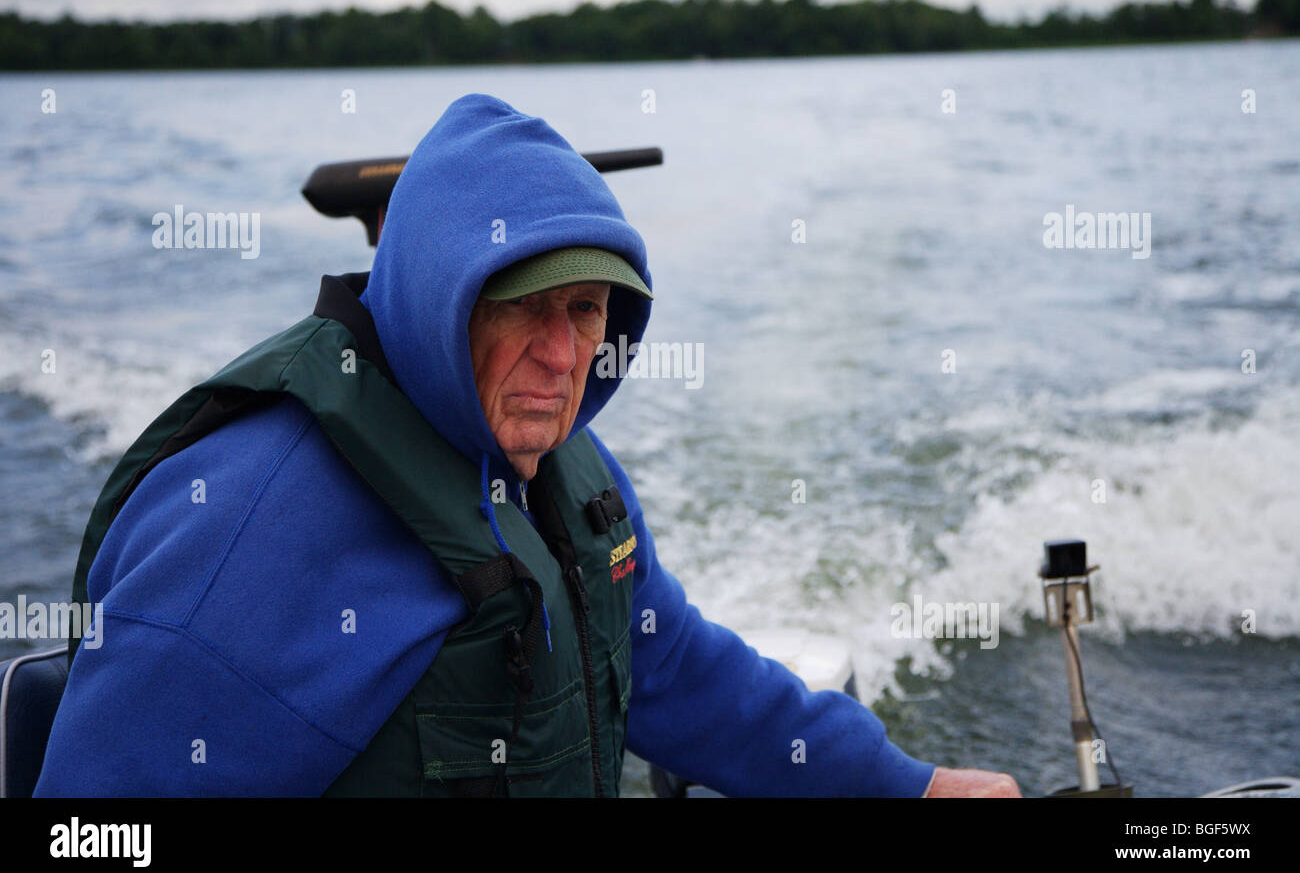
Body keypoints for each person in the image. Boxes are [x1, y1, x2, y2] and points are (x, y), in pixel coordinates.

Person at [34, 93, 1019, 797]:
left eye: (586, 310)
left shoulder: (560, 467)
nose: (562, 356)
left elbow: (668, 666)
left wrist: (913, 783)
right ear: (436, 301)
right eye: (522, 309)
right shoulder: (247, 533)